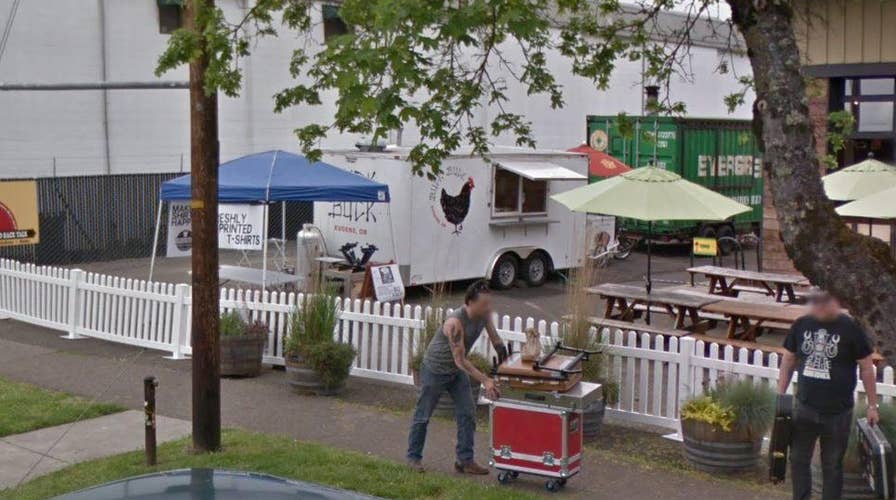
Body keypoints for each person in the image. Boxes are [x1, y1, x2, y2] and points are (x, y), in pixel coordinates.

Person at [777, 289, 879, 500]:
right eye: (816, 301)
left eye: (826, 301)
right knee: (798, 460)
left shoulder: (851, 328)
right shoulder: (801, 324)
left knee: (832, 465)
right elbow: (788, 359)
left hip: (838, 412)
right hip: (805, 406)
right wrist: (781, 394)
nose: (820, 306)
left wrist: (872, 405)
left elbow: (867, 367)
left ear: (836, 302)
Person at [406, 280, 508, 474]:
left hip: (455, 372)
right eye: (484, 304)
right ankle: (413, 458)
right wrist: (485, 380)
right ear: (470, 302)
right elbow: (461, 361)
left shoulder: (484, 315)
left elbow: (496, 340)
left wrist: (505, 359)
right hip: (435, 370)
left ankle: (465, 461)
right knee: (423, 416)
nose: (489, 308)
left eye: (489, 303)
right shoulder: (455, 323)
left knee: (467, 413)